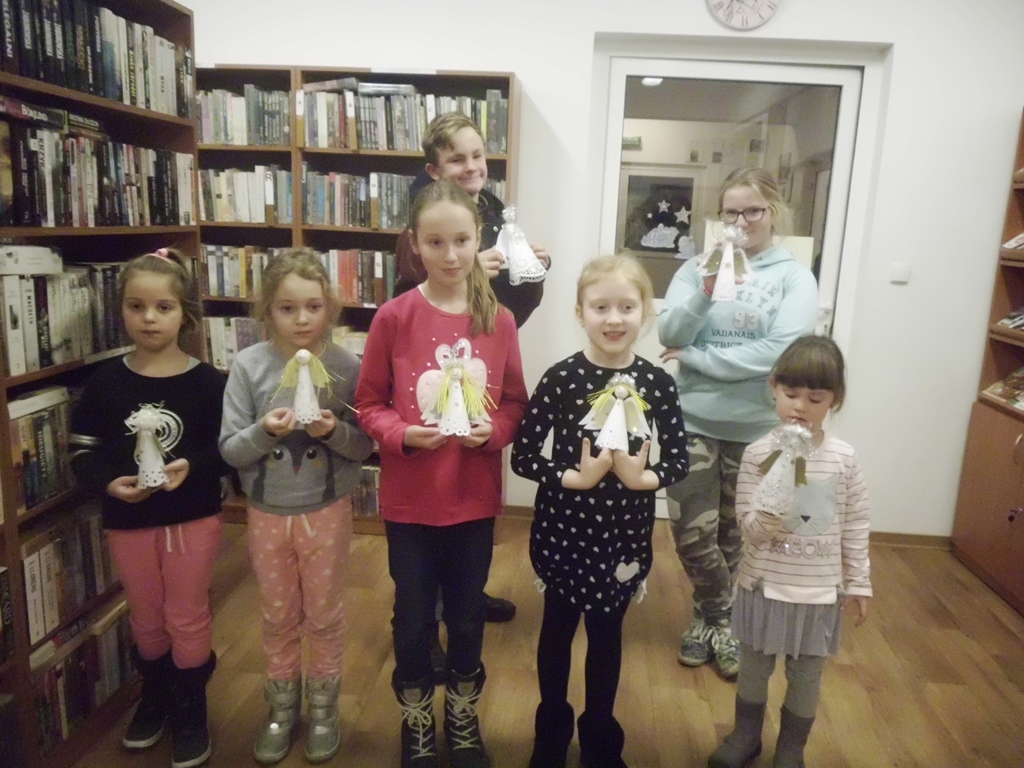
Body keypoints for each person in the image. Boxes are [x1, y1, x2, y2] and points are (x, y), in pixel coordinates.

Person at [355, 179, 528, 768]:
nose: (451, 255)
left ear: (479, 238)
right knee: (412, 616)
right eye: (435, 242)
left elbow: (514, 403)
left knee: (467, 615)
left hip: (472, 498)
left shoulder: (499, 320)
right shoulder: (394, 317)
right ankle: (417, 722)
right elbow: (368, 402)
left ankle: (461, 714)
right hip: (409, 502)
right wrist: (401, 434)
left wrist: (493, 432)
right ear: (414, 243)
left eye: (461, 240)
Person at [511, 254, 690, 768]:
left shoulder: (657, 383)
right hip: (563, 533)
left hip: (623, 537)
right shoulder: (561, 378)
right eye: (601, 307)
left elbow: (678, 459)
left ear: (645, 313)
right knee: (556, 633)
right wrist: (576, 477)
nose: (614, 319)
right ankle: (551, 735)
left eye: (627, 307)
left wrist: (641, 479)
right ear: (580, 313)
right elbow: (524, 455)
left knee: (607, 638)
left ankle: (599, 741)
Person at [658, 167, 819, 680]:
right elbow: (669, 330)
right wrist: (706, 291)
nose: (743, 221)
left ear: (773, 213)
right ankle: (721, 612)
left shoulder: (793, 276)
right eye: (732, 212)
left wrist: (698, 358)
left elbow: (781, 352)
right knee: (691, 535)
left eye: (754, 210)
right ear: (720, 217)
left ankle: (710, 621)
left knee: (735, 535)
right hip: (692, 421)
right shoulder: (695, 269)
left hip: (758, 429)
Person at [69, 249, 227, 768]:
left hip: (193, 519)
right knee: (146, 616)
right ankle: (156, 693)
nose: (150, 318)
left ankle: (190, 706)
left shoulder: (209, 383)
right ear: (121, 311)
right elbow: (82, 452)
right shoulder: (105, 383)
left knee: (186, 613)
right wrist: (108, 485)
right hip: (128, 522)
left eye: (164, 307)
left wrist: (192, 467)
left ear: (185, 313)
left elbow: (227, 451)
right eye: (136, 306)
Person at [393, 111, 550, 634]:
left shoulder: (494, 211)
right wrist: (466, 270)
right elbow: (408, 297)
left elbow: (509, 312)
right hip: (432, 377)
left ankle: (466, 594)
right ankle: (433, 607)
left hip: (478, 366)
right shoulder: (423, 222)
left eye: (478, 155)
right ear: (434, 170)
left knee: (471, 497)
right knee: (434, 496)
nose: (472, 166)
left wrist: (530, 270)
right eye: (457, 158)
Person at [219, 249, 374, 765]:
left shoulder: (346, 366)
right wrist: (264, 431)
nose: (302, 319)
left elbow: (363, 445)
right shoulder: (249, 366)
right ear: (267, 309)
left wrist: (334, 432)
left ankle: (324, 708)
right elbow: (230, 450)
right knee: (278, 614)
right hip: (267, 512)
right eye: (287, 308)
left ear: (329, 306)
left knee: (324, 614)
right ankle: (282, 708)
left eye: (313, 306)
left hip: (326, 510)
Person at [708, 334, 871, 768]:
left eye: (815, 399)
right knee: (753, 669)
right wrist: (774, 497)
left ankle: (792, 748)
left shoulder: (843, 459)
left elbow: (856, 523)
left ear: (834, 400)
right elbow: (750, 528)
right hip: (764, 585)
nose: (800, 406)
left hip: (818, 594)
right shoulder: (758, 454)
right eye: (791, 394)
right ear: (774, 388)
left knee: (806, 676)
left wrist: (859, 581)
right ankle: (745, 736)